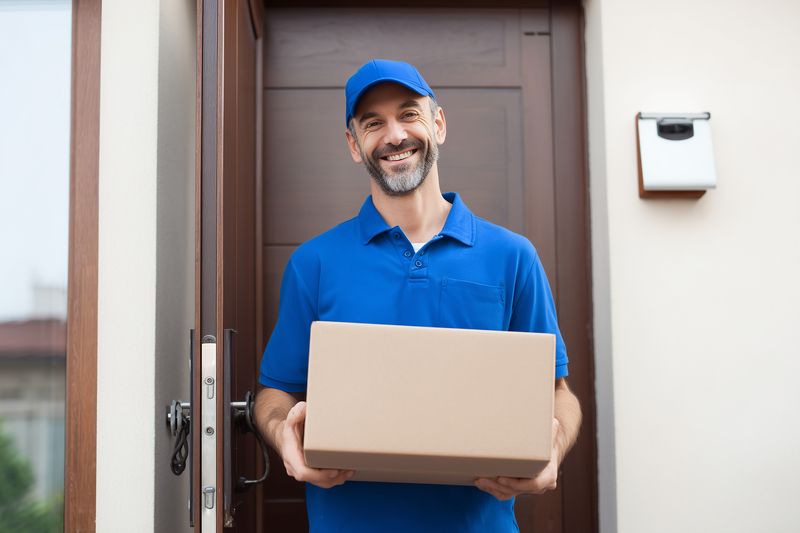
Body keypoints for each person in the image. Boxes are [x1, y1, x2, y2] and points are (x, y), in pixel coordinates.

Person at [254, 59, 582, 532]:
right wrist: (282, 432)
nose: (394, 135)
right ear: (353, 145)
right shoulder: (315, 263)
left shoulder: (512, 256)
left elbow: (558, 394)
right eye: (373, 123)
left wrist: (552, 451)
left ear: (438, 124)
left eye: (409, 114)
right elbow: (275, 394)